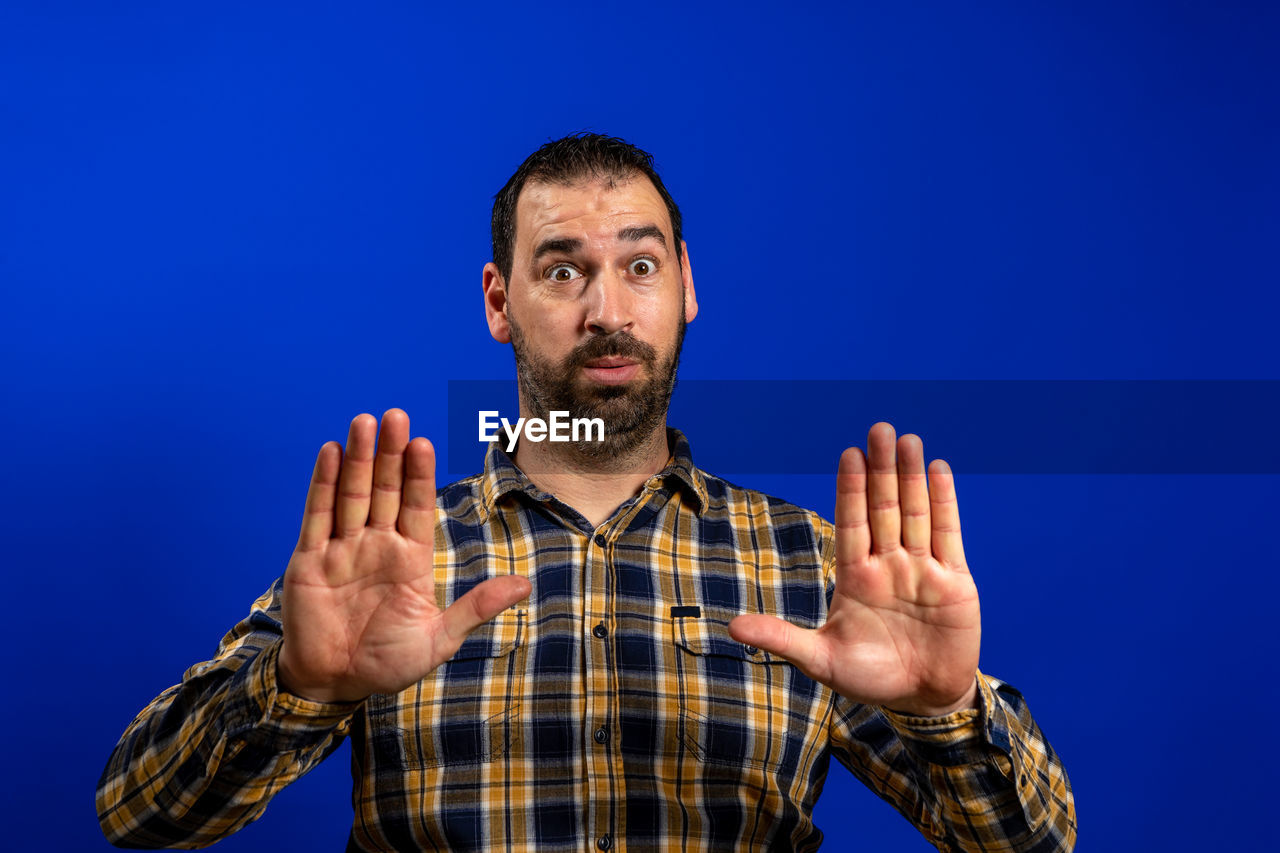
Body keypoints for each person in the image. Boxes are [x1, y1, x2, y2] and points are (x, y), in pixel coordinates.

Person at [97, 133, 1076, 851]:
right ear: (498, 302)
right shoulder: (391, 556)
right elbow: (135, 811)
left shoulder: (814, 565)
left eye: (638, 266)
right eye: (561, 270)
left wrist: (944, 706)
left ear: (684, 285)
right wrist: (299, 687)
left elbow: (1032, 845)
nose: (606, 309)